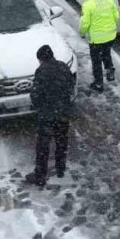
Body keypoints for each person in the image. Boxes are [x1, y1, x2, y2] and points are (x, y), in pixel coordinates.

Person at [25, 45, 76, 187]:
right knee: (62, 142)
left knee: (43, 146)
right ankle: (60, 168)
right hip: (63, 113)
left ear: (41, 59)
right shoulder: (63, 67)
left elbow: (35, 94)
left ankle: (40, 175)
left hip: (47, 115)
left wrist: (39, 107)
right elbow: (71, 85)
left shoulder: (41, 71)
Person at [79, 0, 119, 92]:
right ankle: (110, 70)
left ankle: (98, 83)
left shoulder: (87, 4)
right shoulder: (108, 0)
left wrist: (82, 33)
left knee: (96, 61)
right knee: (106, 52)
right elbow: (116, 16)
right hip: (111, 35)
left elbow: (84, 23)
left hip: (96, 39)